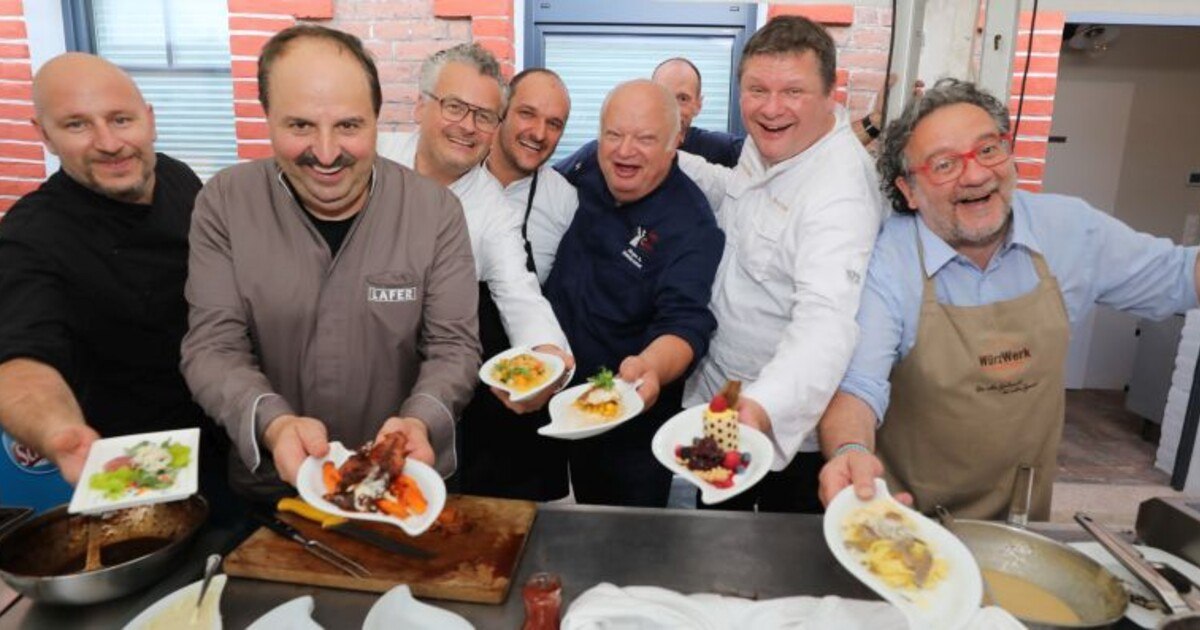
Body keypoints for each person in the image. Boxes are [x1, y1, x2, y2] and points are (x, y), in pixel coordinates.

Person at [817, 78, 1200, 520]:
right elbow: (858, 388)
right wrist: (848, 450)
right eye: (944, 164)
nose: (976, 175)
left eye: (987, 150)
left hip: (1023, 520)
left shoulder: (1070, 230)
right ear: (909, 191)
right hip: (910, 520)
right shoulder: (891, 259)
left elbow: (1179, 274)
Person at [181, 25, 480, 499]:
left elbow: (454, 348)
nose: (325, 153)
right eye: (300, 125)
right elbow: (213, 347)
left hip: (405, 483)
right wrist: (272, 424)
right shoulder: (225, 202)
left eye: (348, 126)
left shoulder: (436, 211)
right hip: (277, 488)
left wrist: (419, 419)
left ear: (377, 120)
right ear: (268, 117)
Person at [0, 53, 234, 505]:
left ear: (150, 119)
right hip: (140, 466)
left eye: (121, 119)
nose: (109, 143)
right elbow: (19, 363)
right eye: (77, 126)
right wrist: (57, 429)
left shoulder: (177, 177)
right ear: (44, 135)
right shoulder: (30, 236)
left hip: (225, 432)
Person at [676, 15, 886, 513]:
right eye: (757, 90)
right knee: (714, 545)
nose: (771, 109)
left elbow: (825, 322)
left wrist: (761, 407)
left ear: (831, 94)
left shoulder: (839, 192)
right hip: (722, 396)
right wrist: (660, 149)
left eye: (793, 91)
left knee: (781, 567)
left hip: (784, 426)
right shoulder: (768, 141)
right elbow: (738, 193)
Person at [377, 46, 573, 501]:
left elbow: (519, 290)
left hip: (433, 387)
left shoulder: (491, 208)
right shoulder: (373, 160)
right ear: (421, 104)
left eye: (484, 115)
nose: (468, 126)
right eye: (455, 107)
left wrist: (549, 360)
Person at [546, 79, 724, 507]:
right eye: (614, 134)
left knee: (621, 550)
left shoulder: (693, 225)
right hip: (549, 396)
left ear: (675, 141)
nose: (624, 151)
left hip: (627, 422)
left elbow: (686, 324)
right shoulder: (587, 164)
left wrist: (650, 366)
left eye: (645, 139)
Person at [462, 67, 579, 500]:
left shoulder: (565, 199)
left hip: (525, 387)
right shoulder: (458, 178)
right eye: (528, 114)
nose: (538, 132)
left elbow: (547, 299)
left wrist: (553, 370)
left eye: (554, 123)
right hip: (453, 384)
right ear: (502, 115)